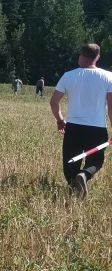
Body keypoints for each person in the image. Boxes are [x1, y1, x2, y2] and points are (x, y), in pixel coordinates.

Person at [50, 43, 112, 197]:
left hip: (74, 128)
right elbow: (111, 107)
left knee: (71, 161)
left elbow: (54, 102)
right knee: (95, 161)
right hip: (97, 128)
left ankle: (74, 185)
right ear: (97, 57)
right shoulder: (108, 77)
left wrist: (60, 120)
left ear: (82, 55)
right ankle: (84, 176)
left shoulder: (69, 75)